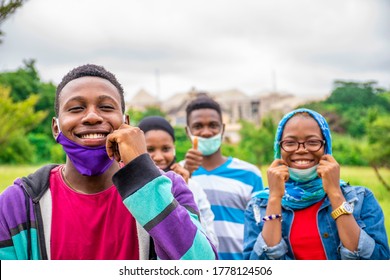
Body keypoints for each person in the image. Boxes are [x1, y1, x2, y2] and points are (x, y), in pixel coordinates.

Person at [0, 64, 217, 260]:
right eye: (76, 108)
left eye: (106, 107)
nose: (92, 117)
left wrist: (142, 172)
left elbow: (204, 266)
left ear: (127, 123)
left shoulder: (170, 189)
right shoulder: (18, 203)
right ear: (56, 127)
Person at [243, 108, 390, 260]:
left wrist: (335, 193)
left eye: (312, 142)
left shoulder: (361, 199)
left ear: (326, 147)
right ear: (279, 147)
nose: (301, 150)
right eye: (290, 143)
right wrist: (274, 198)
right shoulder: (258, 206)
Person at [182, 95, 264, 260]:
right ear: (188, 131)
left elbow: (261, 228)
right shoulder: (176, 175)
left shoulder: (250, 174)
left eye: (213, 125)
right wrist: (186, 177)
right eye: (198, 126)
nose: (206, 132)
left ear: (223, 129)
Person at [138, 115, 219, 248]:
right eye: (150, 150)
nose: (158, 157)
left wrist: (183, 194)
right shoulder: (131, 190)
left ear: (174, 148)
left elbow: (211, 244)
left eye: (166, 149)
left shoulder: (192, 187)